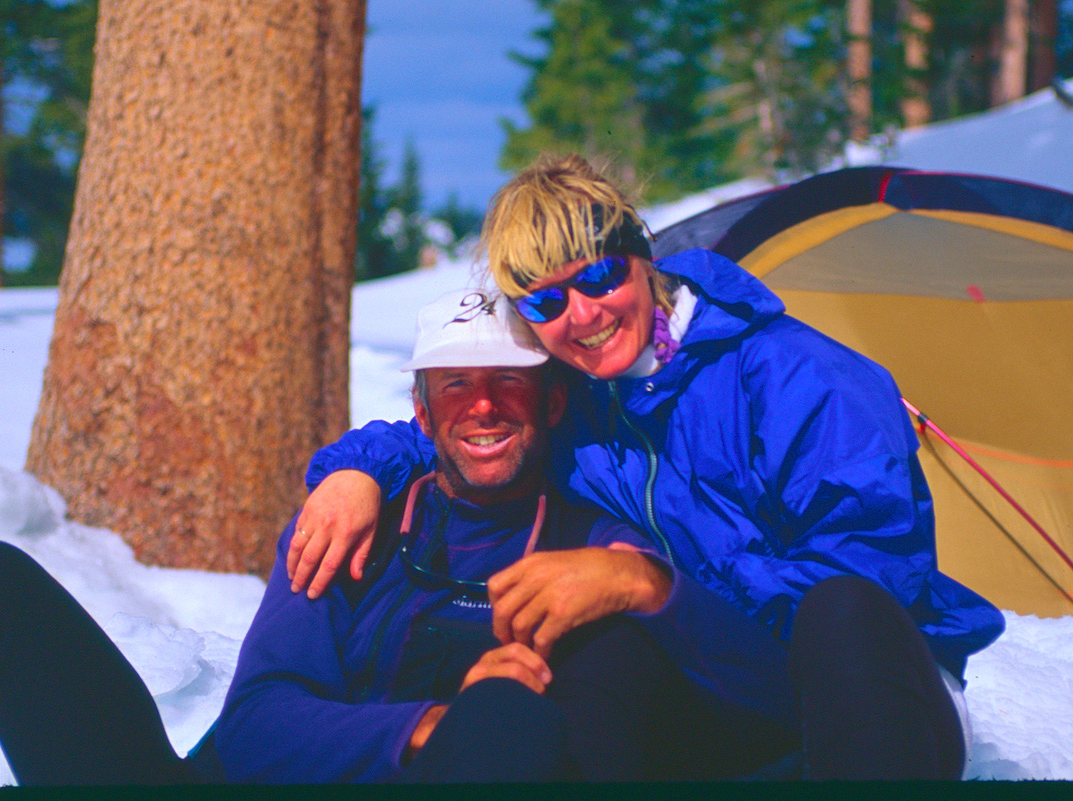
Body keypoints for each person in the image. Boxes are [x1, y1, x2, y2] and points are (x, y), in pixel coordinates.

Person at [289, 153, 1007, 780]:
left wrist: (655, 585)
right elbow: (471, 433)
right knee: (606, 650)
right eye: (544, 299)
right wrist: (357, 469)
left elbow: (875, 580)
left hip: (877, 695)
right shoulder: (590, 401)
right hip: (728, 685)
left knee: (837, 609)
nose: (582, 312)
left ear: (642, 253)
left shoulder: (798, 375)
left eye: (599, 275)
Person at [0, 289, 793, 785]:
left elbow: (759, 701)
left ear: (550, 404)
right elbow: (254, 726)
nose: (483, 406)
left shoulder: (596, 549)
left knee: (512, 722)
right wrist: (431, 724)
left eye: (508, 382)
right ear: (422, 411)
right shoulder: (352, 527)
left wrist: (651, 587)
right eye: (456, 387)